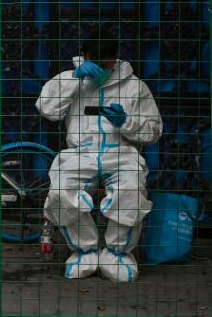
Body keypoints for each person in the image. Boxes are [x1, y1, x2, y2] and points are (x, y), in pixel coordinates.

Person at [35, 27, 162, 282]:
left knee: (131, 191)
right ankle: (85, 251)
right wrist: (74, 78)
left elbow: (153, 131)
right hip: (80, 153)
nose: (102, 69)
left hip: (122, 153)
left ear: (117, 57)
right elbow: (47, 109)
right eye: (96, 63)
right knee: (61, 191)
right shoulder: (69, 79)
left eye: (107, 64)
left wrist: (126, 122)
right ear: (84, 56)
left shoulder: (135, 87)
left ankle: (118, 254)